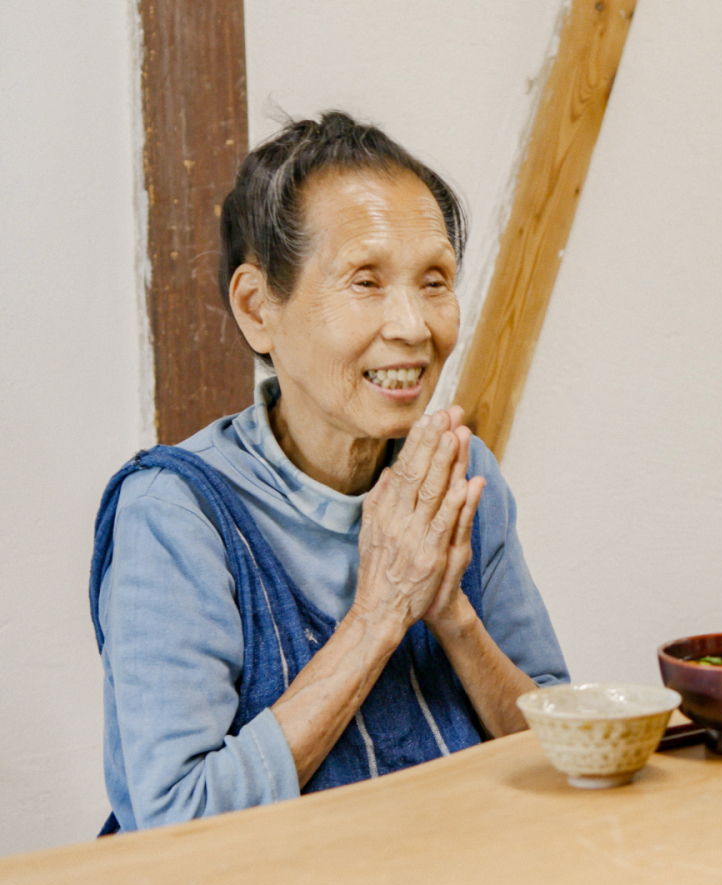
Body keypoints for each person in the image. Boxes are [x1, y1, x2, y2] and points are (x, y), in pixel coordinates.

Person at [90, 112, 567, 833]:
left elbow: (565, 741)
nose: (412, 325)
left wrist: (451, 613)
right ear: (258, 310)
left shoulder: (463, 478)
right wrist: (379, 614)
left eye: (434, 280)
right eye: (366, 282)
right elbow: (173, 821)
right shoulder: (173, 512)